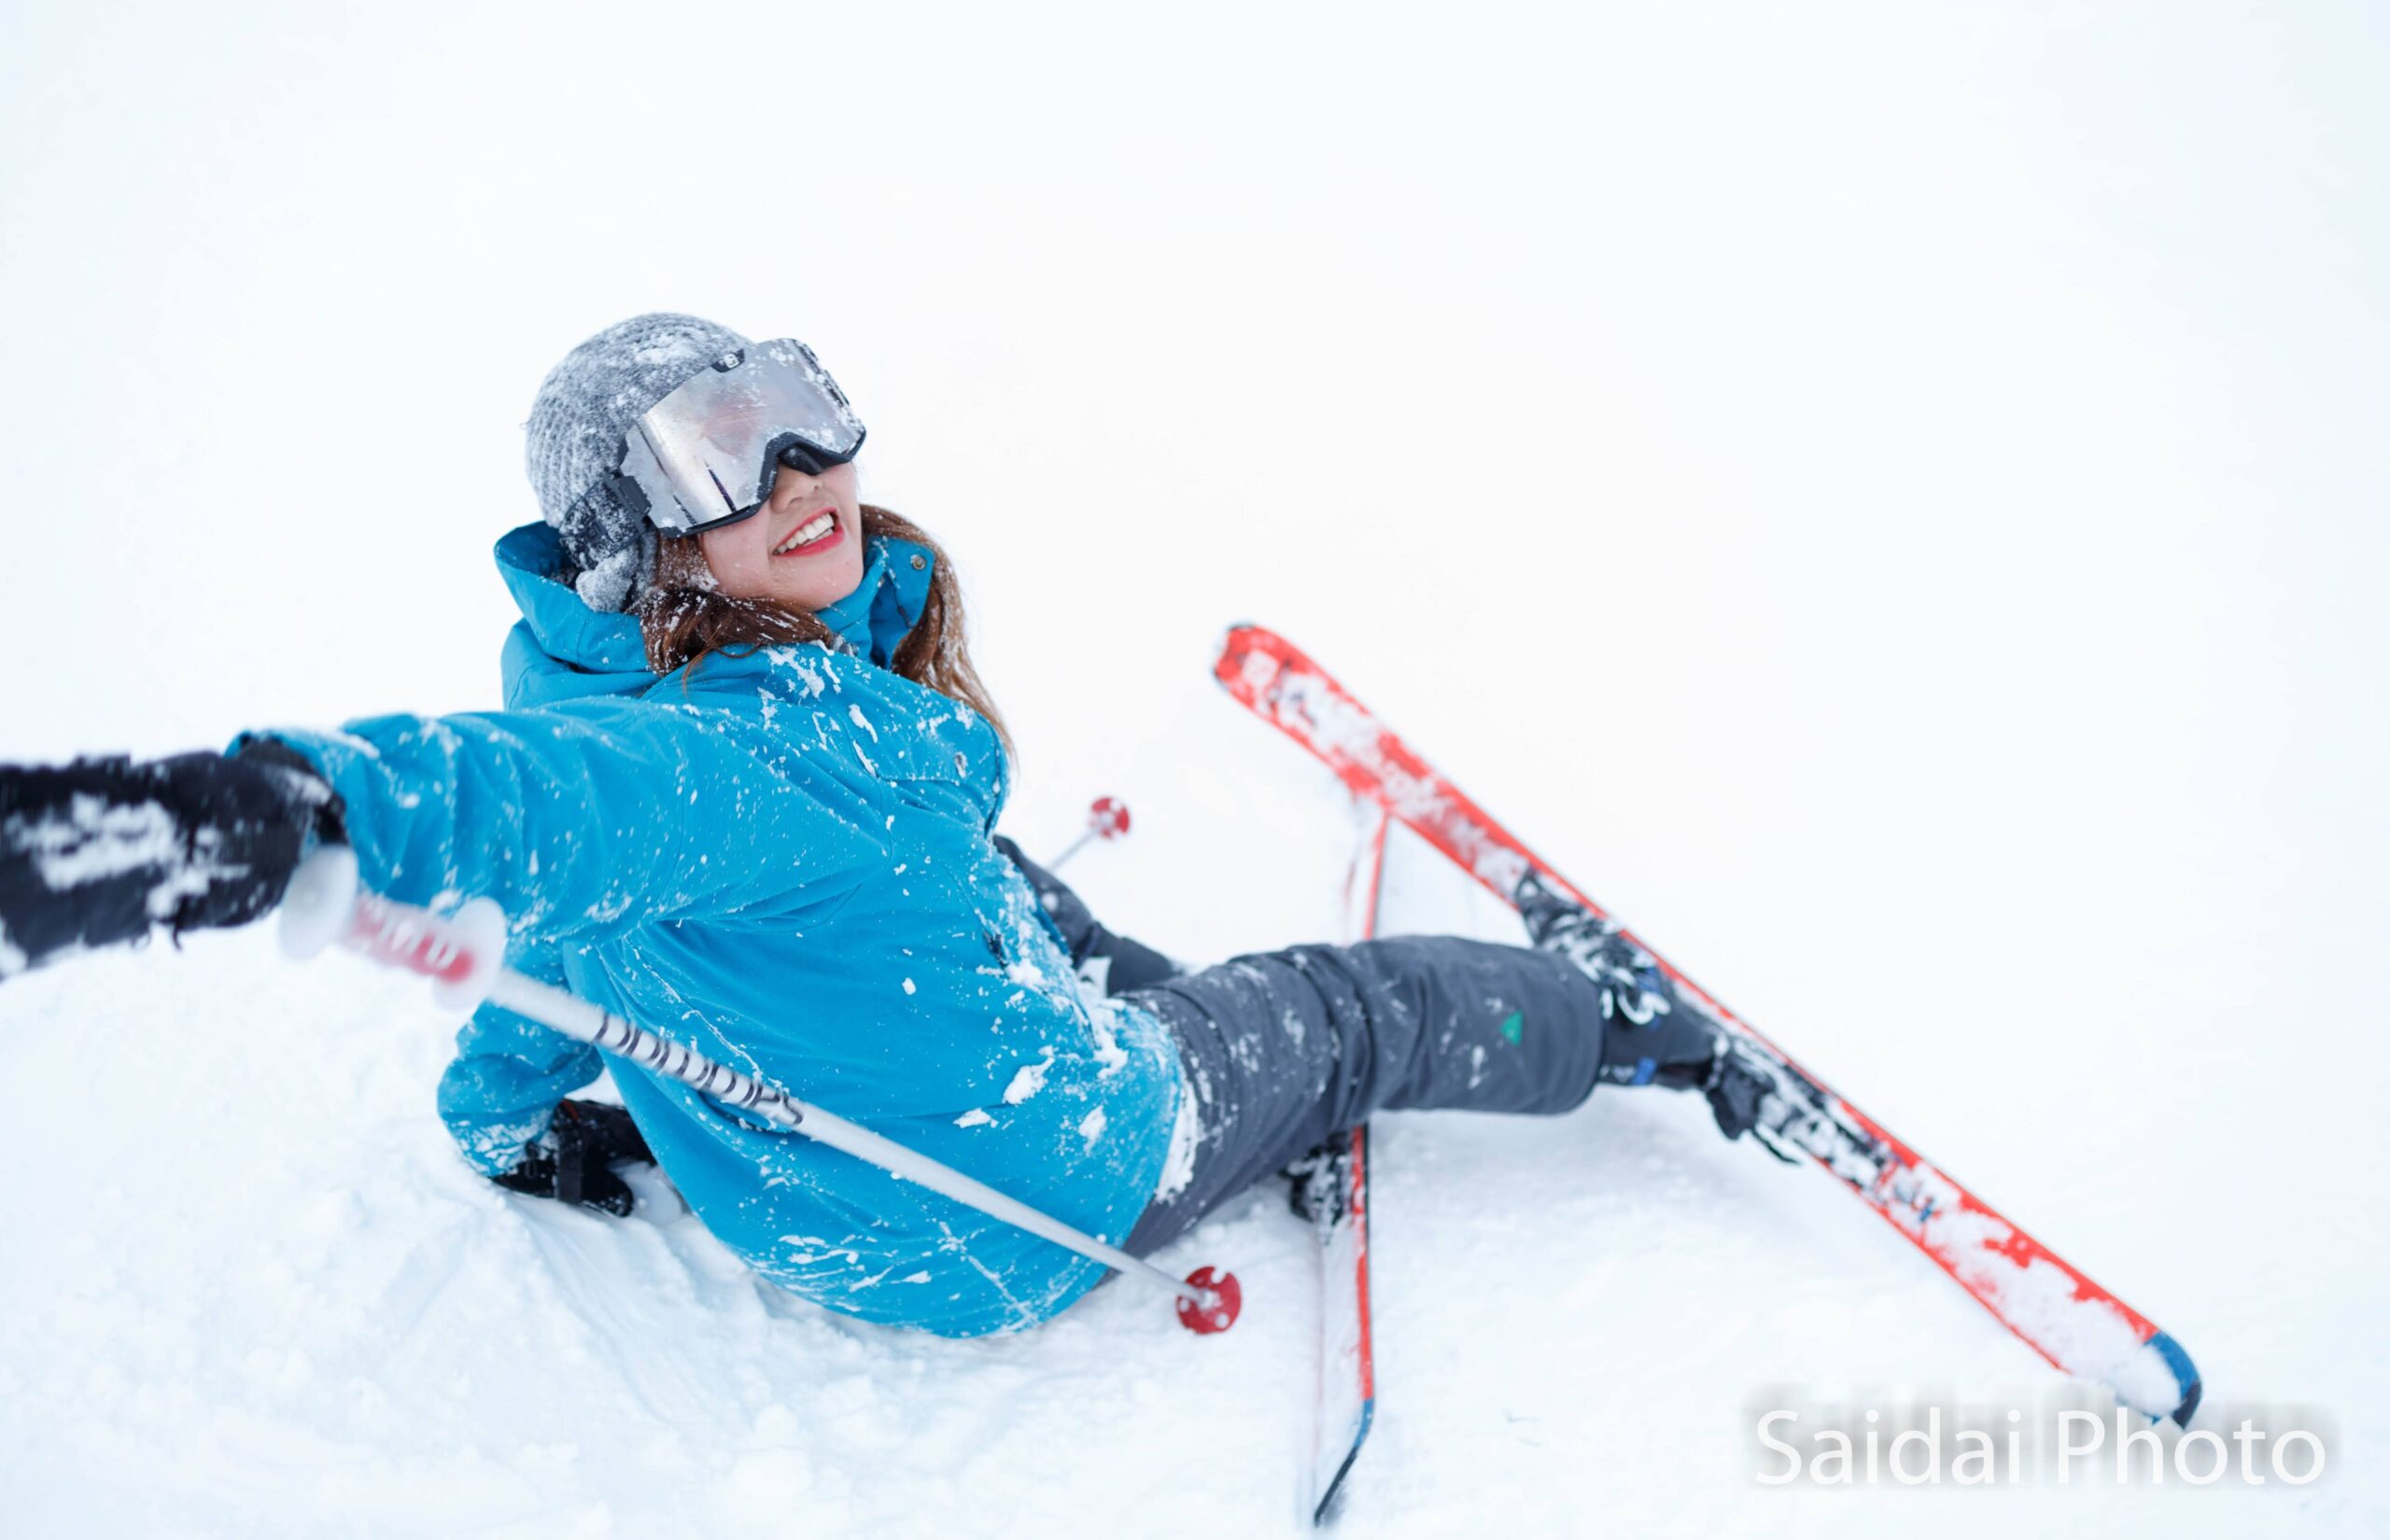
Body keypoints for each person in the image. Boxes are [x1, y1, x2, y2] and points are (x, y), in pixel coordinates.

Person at [0, 314, 1778, 1337]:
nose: (799, 472)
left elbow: (551, 930)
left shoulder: (629, 728)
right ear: (644, 539)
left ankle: (1151, 1008)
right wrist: (254, 818)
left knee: (999, 890)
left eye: (797, 407)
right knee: (1328, 1012)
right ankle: (1611, 1024)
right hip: (1037, 1187)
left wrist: (503, 1127)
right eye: (721, 452)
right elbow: (491, 802)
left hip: (818, 1204)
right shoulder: (716, 765)